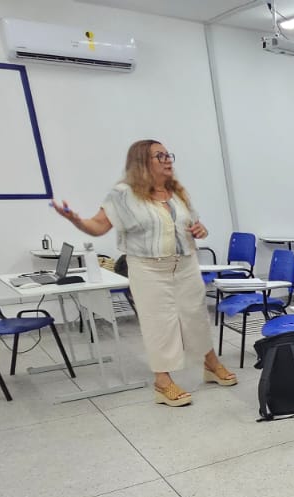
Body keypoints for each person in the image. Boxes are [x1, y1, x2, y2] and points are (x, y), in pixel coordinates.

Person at [51, 139, 235, 407]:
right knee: (159, 324)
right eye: (160, 156)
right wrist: (75, 219)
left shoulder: (177, 193)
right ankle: (162, 382)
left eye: (168, 155)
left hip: (185, 263)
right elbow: (98, 226)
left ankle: (210, 365)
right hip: (149, 268)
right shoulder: (123, 195)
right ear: (141, 162)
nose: (167, 160)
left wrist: (201, 230)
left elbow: (195, 224)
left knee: (196, 316)